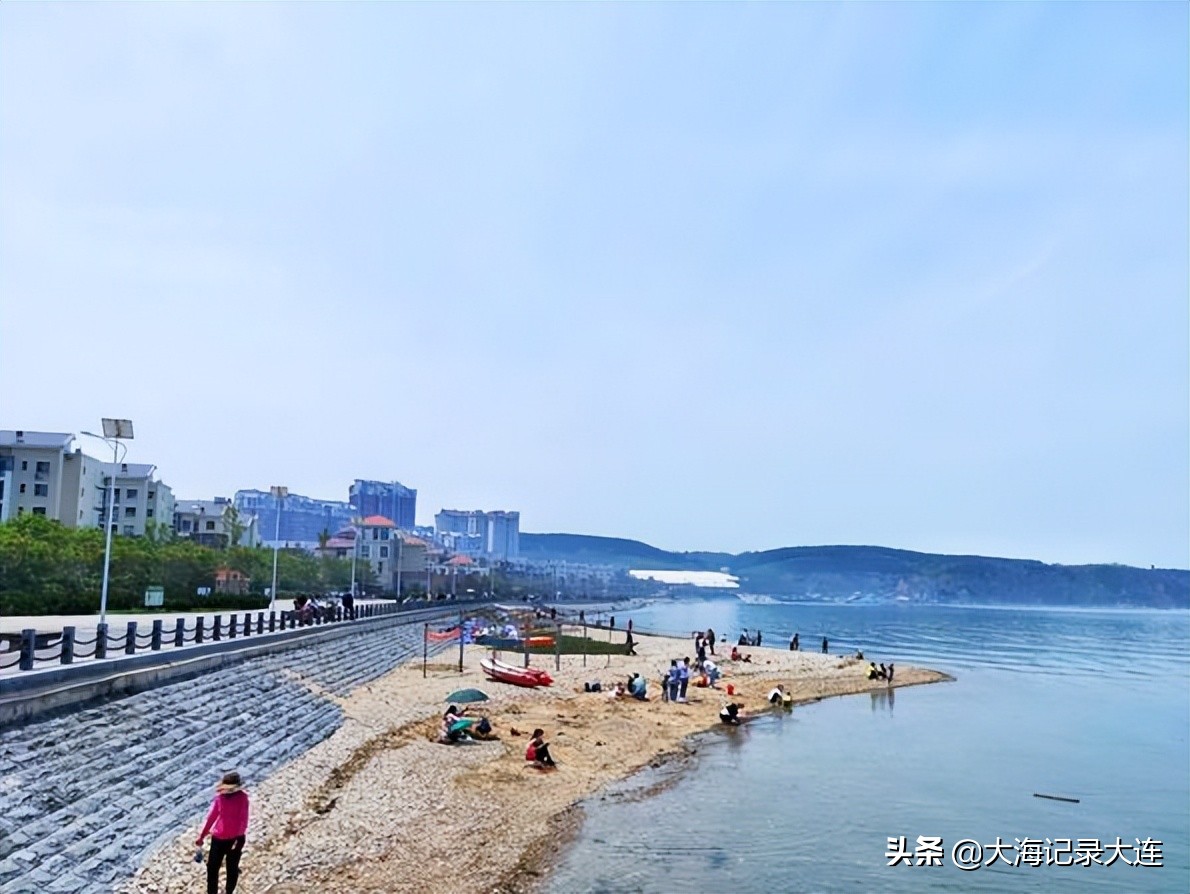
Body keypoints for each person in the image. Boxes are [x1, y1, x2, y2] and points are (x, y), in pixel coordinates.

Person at [196, 771, 250, 894]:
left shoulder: (243, 798)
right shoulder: (220, 798)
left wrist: (237, 837)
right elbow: (212, 817)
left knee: (232, 868)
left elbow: (244, 820)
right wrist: (202, 836)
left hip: (236, 839)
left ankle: (229, 891)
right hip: (219, 839)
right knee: (212, 869)